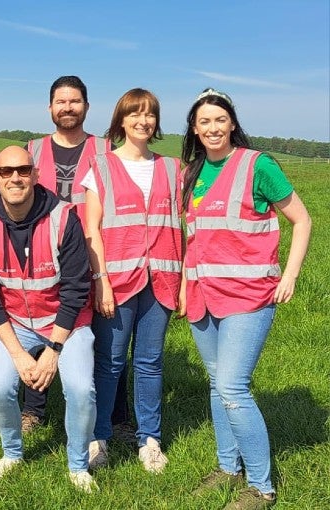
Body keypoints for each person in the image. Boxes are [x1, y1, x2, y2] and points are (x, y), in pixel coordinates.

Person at [181, 88, 310, 509]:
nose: (213, 128)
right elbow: (194, 238)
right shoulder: (193, 173)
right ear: (195, 129)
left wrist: (289, 274)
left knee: (233, 388)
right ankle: (227, 467)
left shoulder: (258, 165)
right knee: (218, 385)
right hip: (203, 297)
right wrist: (185, 287)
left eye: (220, 120)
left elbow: (302, 219)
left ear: (232, 123)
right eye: (204, 122)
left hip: (248, 297)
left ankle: (262, 487)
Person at [0, 146, 97, 493]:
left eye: (23, 170)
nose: (15, 178)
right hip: (16, 325)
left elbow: (75, 288)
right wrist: (19, 354)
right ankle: (12, 453)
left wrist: (53, 351)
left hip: (66, 325)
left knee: (81, 389)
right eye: (6, 171)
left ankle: (78, 465)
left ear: (35, 175)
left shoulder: (64, 216)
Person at [80, 88, 182, 473]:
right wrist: (101, 280)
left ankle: (150, 439)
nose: (143, 120)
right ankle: (99, 438)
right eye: (135, 113)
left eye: (150, 114)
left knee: (150, 362)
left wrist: (185, 279)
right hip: (118, 282)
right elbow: (92, 229)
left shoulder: (173, 169)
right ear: (121, 120)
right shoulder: (101, 167)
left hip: (162, 279)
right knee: (109, 362)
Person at [22, 75, 119, 433]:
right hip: (42, 255)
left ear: (87, 107)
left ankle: (112, 413)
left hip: (94, 252)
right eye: (61, 102)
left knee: (106, 335)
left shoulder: (107, 151)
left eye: (75, 101)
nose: (67, 108)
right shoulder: (32, 150)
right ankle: (34, 409)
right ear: (50, 108)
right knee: (41, 327)